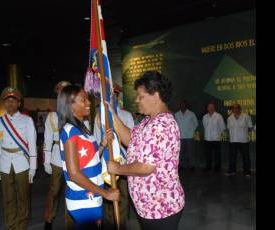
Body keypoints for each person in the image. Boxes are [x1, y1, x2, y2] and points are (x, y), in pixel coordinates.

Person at [106, 71, 185, 230]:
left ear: (155, 97)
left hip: (161, 209)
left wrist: (117, 169)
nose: (136, 100)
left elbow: (145, 167)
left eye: (140, 96)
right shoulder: (148, 121)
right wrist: (112, 113)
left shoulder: (162, 125)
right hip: (148, 206)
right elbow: (130, 139)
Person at [58, 84, 120, 229]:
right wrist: (105, 193)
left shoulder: (82, 128)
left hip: (91, 196)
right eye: (83, 100)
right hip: (83, 198)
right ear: (70, 105)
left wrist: (102, 145)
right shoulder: (70, 131)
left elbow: (89, 160)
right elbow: (74, 174)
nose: (89, 103)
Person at [0, 86, 37, 230]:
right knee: (8, 198)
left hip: (22, 163)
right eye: (7, 101)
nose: (10, 104)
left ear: (19, 103)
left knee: (23, 198)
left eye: (13, 101)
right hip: (5, 163)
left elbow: (32, 144)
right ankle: (11, 226)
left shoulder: (27, 120)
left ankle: (22, 226)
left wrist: (33, 167)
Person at [93, 83, 134, 230]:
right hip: (105, 165)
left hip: (122, 164)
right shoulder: (98, 118)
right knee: (107, 200)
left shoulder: (126, 115)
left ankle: (120, 226)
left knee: (122, 198)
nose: (110, 98)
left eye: (112, 95)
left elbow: (132, 142)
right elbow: (96, 142)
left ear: (117, 96)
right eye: (107, 96)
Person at [43, 81, 77, 230]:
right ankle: (49, 219)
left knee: (72, 190)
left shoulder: (76, 113)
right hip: (57, 157)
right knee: (54, 191)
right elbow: (47, 140)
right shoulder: (52, 116)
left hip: (73, 157)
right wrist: (46, 161)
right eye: (60, 92)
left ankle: (70, 223)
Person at [226, 103, 253, 176]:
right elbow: (228, 129)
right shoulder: (229, 118)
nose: (234, 110)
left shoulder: (246, 117)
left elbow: (250, 127)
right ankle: (232, 171)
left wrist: (244, 133)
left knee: (246, 157)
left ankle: (247, 171)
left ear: (239, 109)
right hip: (233, 140)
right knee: (232, 157)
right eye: (233, 108)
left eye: (236, 108)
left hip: (243, 140)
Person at [174, 100, 198, 171]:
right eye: (181, 105)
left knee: (190, 152)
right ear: (180, 106)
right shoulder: (176, 114)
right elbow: (175, 124)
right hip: (180, 137)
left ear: (186, 106)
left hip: (189, 136)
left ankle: (191, 165)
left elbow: (196, 123)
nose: (183, 106)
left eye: (184, 105)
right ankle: (181, 165)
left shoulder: (191, 114)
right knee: (181, 153)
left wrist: (191, 131)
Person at [202, 102, 226, 172]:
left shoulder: (219, 116)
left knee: (217, 155)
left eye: (212, 107)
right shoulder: (204, 117)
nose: (210, 108)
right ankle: (208, 167)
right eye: (209, 107)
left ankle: (217, 168)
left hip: (216, 138)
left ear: (214, 108)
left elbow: (222, 127)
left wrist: (216, 132)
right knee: (208, 155)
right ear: (207, 108)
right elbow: (204, 126)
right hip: (207, 138)